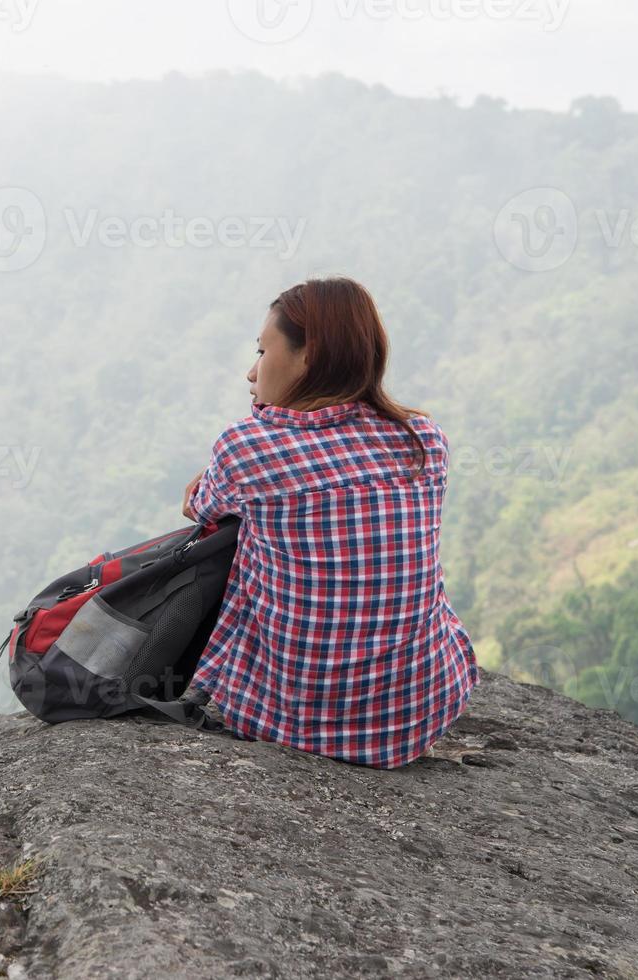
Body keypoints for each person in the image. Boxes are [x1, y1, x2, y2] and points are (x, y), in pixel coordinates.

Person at [178, 276, 479, 769]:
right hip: (417, 713)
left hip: (292, 719)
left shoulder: (249, 449)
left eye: (262, 351)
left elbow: (202, 508)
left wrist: (228, 468)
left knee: (243, 531)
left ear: (308, 356)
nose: (251, 373)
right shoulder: (423, 439)